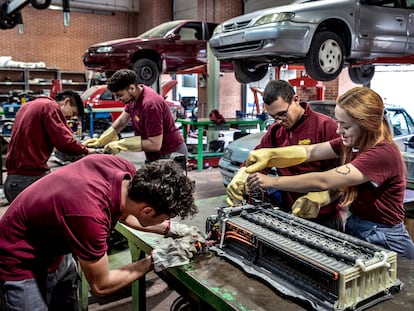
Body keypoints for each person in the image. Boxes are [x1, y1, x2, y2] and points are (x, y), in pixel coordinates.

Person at [0, 154, 202, 310]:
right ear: (148, 210)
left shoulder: (123, 173)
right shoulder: (90, 216)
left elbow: (124, 212)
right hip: (21, 260)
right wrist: (158, 260)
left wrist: (170, 229)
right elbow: (101, 285)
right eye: (167, 218)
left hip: (55, 249)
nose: (167, 221)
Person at [245, 86, 414, 259]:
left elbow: (324, 180)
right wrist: (270, 155)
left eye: (345, 126)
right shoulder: (353, 144)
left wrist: (272, 182)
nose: (338, 130)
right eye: (339, 123)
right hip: (356, 224)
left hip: (385, 237)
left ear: (366, 125)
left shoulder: (381, 154)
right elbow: (311, 152)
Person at [226, 80, 343, 231]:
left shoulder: (326, 127)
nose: (279, 121)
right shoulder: (276, 132)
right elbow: (259, 159)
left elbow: (343, 178)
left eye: (282, 114)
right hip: (290, 214)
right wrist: (242, 175)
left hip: (324, 219)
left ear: (296, 100)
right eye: (273, 117)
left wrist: (322, 197)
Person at [4, 91, 95, 203]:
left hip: (13, 180)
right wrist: (87, 151)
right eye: (69, 115)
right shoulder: (50, 106)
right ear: (66, 102)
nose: (66, 120)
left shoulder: (28, 106)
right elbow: (64, 143)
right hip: (28, 180)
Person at [84, 69, 187, 165]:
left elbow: (155, 144)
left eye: (120, 95)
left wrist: (121, 144)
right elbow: (121, 122)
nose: (117, 99)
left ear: (132, 88)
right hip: (155, 155)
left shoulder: (150, 105)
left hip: (170, 154)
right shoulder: (134, 97)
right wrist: (102, 140)